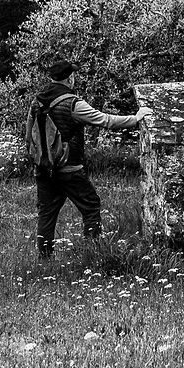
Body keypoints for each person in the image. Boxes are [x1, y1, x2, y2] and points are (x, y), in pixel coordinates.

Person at [27, 59, 142, 258]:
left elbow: (29, 135)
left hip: (44, 168)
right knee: (90, 207)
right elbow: (105, 120)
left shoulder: (36, 101)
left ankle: (44, 259)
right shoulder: (73, 103)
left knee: (46, 214)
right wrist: (135, 118)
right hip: (69, 168)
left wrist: (39, 160)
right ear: (70, 78)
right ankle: (93, 253)